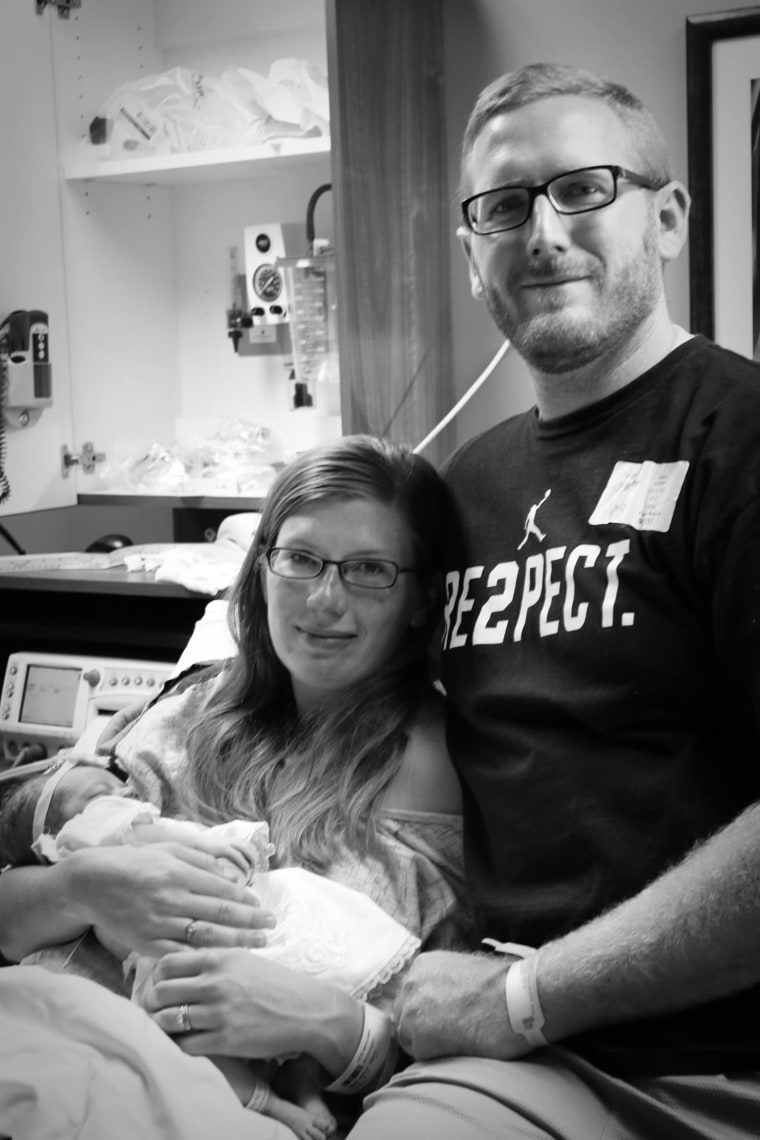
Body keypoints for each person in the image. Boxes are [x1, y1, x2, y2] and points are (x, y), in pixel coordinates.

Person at [342, 61, 760, 1140]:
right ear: (470, 252)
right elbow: (341, 685)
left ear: (665, 219)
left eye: (582, 189)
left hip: (710, 1056)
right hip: (517, 1050)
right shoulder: (463, 489)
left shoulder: (739, 443)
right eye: (504, 204)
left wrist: (521, 999)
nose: (541, 230)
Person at [0, 435, 466, 1135]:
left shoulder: (438, 772)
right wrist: (82, 888)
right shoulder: (189, 712)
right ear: (263, 566)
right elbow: (19, 884)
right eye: (300, 559)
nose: (324, 599)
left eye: (370, 569)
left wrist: (326, 1024)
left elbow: (439, 1035)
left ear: (424, 597)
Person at [0, 755, 420, 1139]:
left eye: (122, 786)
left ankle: (293, 1089)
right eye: (99, 794)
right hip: (153, 967)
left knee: (228, 1023)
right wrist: (70, 886)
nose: (127, 795)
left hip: (223, 949)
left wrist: (329, 1021)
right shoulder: (98, 829)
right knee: (187, 1030)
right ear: (53, 839)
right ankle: (277, 1100)